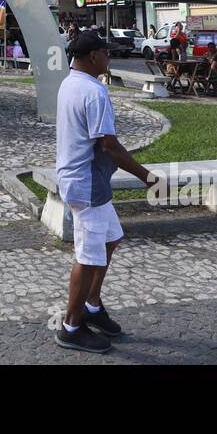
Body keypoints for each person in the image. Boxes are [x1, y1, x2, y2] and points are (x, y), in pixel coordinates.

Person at [53, 31, 156, 354]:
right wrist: (148, 176)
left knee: (111, 238)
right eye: (106, 53)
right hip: (87, 183)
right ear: (94, 56)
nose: (110, 58)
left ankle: (92, 306)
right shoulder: (93, 92)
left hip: (87, 179)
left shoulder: (70, 83)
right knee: (87, 256)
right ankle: (71, 326)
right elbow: (108, 145)